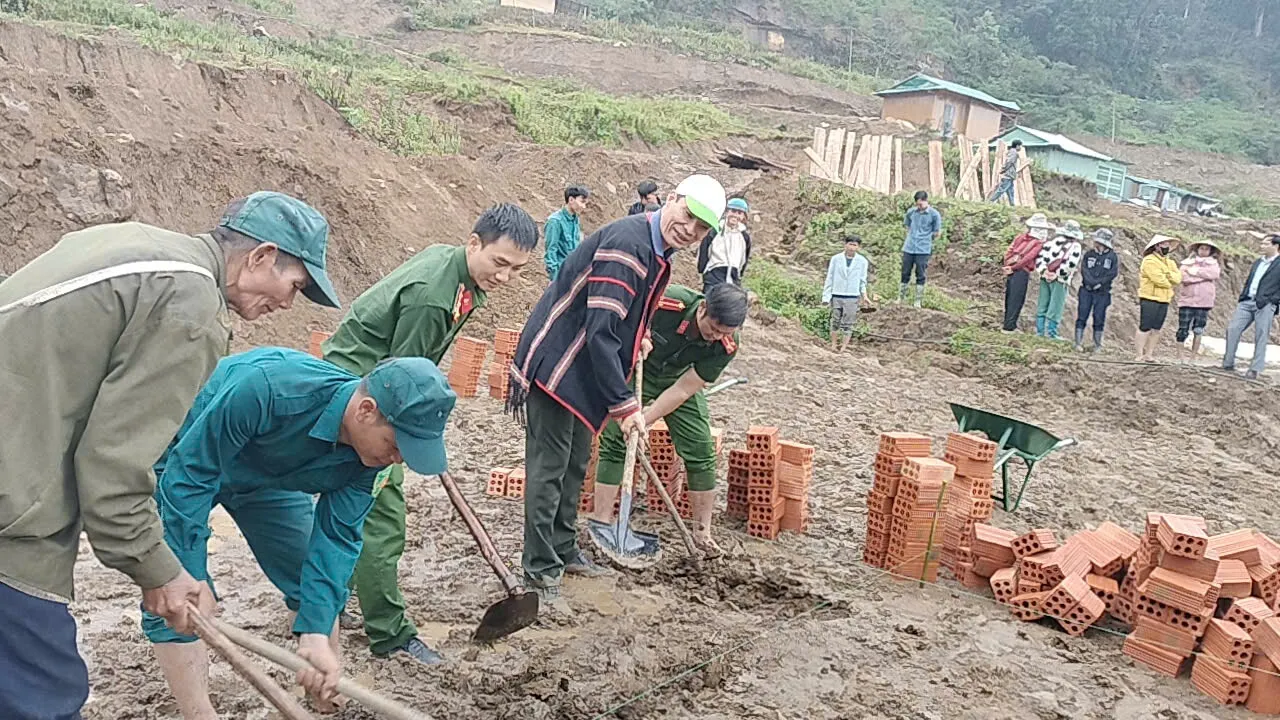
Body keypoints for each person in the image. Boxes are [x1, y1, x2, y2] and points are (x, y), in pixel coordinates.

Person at [0, 191, 339, 720]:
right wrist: (159, 571)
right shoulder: (191, 307)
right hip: (12, 510)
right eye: (295, 285)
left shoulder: (138, 243)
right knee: (40, 694)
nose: (289, 304)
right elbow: (113, 467)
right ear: (260, 256)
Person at [144, 349, 455, 719]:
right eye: (396, 445)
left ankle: (323, 682)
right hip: (187, 457)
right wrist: (190, 574)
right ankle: (198, 713)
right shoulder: (269, 388)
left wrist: (317, 634)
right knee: (177, 593)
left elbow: (337, 540)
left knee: (304, 572)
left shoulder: (368, 460)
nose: (399, 459)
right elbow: (190, 477)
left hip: (268, 480)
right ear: (366, 410)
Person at [320, 204, 536, 665]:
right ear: (474, 243)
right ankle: (390, 635)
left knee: (351, 507)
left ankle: (327, 605)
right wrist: (412, 439)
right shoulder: (433, 298)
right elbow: (399, 382)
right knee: (382, 514)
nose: (505, 277)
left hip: (367, 386)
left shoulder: (457, 272)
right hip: (361, 399)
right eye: (499, 263)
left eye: (517, 270)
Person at [507, 173, 726, 614]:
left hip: (584, 371)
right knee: (550, 469)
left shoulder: (659, 251)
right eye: (687, 215)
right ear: (673, 200)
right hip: (560, 362)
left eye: (701, 229)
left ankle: (565, 549)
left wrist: (640, 334)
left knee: (574, 465)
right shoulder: (630, 246)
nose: (689, 229)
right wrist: (626, 407)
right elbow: (601, 331)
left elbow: (626, 316)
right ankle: (538, 570)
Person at [588, 283, 747, 558]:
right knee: (615, 439)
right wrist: (639, 338)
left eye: (725, 332)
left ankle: (702, 533)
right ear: (703, 309)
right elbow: (622, 320)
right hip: (639, 368)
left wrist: (643, 419)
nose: (716, 337)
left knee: (701, 451)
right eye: (714, 328)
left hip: (677, 380)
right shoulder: (667, 302)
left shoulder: (726, 345)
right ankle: (602, 522)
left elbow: (684, 389)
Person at [1222, 234, 1280, 379]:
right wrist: (1243, 295)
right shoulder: (1257, 262)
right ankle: (1228, 363)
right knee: (1233, 328)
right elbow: (1250, 280)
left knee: (1261, 334)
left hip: (1265, 304)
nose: (1262, 246)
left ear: (1275, 246)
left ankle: (1255, 369)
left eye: (1265, 243)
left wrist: (1273, 300)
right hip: (1247, 301)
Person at [1033, 219, 1084, 339]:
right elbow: (1071, 264)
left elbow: (1040, 258)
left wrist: (1044, 272)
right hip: (1060, 279)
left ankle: (1040, 332)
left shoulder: (1051, 242)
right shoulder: (1075, 246)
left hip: (1045, 277)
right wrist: (1058, 274)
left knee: (1042, 303)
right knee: (1056, 305)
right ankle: (1051, 333)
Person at [1001, 213, 1052, 332]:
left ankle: (1007, 324)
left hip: (1011, 270)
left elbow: (1009, 251)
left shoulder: (1020, 238)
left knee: (1010, 297)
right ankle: (1009, 327)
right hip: (1021, 271)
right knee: (1017, 298)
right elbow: (1028, 258)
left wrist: (1008, 266)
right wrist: (1014, 268)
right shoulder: (1038, 243)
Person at [1136, 235, 1183, 362]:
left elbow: (1178, 278)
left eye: (1167, 244)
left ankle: (1149, 354)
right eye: (1163, 244)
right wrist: (1169, 279)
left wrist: (1168, 276)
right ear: (1156, 246)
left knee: (1157, 328)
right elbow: (1159, 280)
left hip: (1164, 299)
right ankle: (1139, 354)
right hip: (1149, 297)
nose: (1166, 246)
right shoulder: (1149, 260)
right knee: (1145, 326)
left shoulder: (1170, 262)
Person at [1176, 240, 1222, 363]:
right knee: (1182, 329)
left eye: (1206, 249)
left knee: (1198, 329)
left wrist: (1195, 273)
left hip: (1204, 302)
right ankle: (1181, 357)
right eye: (1202, 248)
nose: (1204, 251)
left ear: (1210, 251)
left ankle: (1193, 358)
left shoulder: (1213, 264)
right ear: (1197, 249)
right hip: (1187, 300)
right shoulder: (1187, 263)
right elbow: (1183, 277)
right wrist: (1202, 278)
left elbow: (1214, 274)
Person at [1074, 228, 1120, 352]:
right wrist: (1091, 282)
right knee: (1082, 315)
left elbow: (1112, 273)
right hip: (1086, 289)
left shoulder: (1112, 256)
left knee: (1099, 317)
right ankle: (1078, 342)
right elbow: (1084, 269)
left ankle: (1097, 344)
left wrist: (1100, 283)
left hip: (1103, 292)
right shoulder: (1089, 254)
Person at [823, 234, 869, 352]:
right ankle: (833, 344)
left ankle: (843, 347)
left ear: (858, 247)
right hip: (837, 294)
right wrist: (826, 297)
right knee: (835, 320)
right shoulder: (836, 259)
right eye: (850, 244)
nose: (852, 248)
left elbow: (862, 280)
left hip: (852, 296)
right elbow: (830, 277)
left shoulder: (862, 261)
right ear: (845, 245)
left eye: (855, 245)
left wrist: (864, 295)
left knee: (848, 323)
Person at [697, 196, 752, 292]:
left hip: (733, 277)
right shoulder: (715, 231)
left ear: (743, 217)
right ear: (726, 212)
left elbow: (745, 257)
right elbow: (704, 250)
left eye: (739, 213)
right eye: (733, 211)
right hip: (714, 274)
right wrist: (703, 269)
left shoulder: (744, 236)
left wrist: (739, 274)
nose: (735, 215)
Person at [901, 190, 942, 308]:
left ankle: (917, 300)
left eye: (921, 204)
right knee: (905, 272)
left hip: (923, 249)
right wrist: (911, 235)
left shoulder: (934, 214)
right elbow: (907, 225)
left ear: (926, 201)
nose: (919, 207)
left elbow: (937, 232)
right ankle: (901, 297)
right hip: (909, 247)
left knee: (920, 273)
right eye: (917, 204)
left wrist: (927, 238)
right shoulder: (911, 212)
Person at [544, 185, 589, 281]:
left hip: (573, 274)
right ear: (571, 200)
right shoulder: (555, 221)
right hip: (560, 275)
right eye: (582, 202)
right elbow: (551, 251)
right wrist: (555, 280)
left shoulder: (575, 220)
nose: (584, 207)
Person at [988, 139, 1024, 205]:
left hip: (1011, 175)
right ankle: (990, 201)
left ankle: (1012, 205)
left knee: (1011, 191)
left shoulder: (1013, 152)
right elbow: (1009, 162)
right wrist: (1004, 169)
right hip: (1008, 175)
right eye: (1020, 146)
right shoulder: (1014, 152)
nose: (1020, 147)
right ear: (1017, 146)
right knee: (1001, 189)